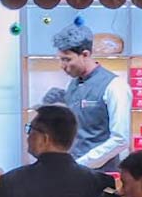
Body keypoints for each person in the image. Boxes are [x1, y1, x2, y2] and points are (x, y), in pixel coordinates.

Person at [53, 23, 132, 172]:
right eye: (60, 59)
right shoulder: (72, 85)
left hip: (101, 176)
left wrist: (82, 163)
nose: (62, 65)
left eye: (67, 59)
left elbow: (120, 140)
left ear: (85, 54)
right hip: (72, 172)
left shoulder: (115, 86)